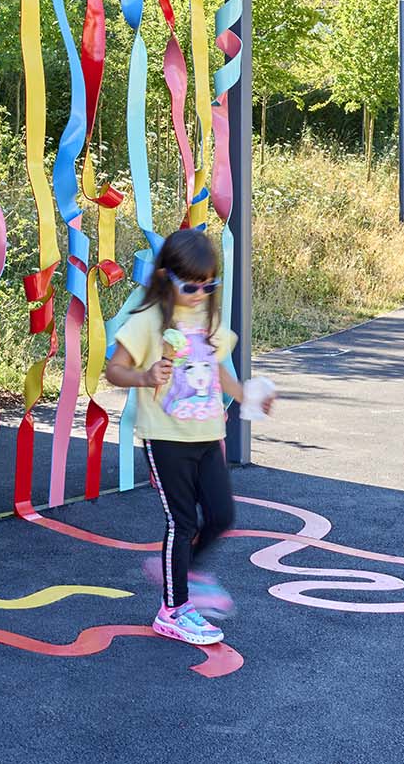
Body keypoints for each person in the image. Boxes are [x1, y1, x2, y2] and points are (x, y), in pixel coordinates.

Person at [104, 228, 275, 647]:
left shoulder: (208, 321)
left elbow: (217, 370)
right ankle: (173, 609)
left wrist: (247, 396)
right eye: (191, 285)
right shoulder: (147, 323)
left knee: (220, 516)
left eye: (209, 285)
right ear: (166, 277)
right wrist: (144, 376)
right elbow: (114, 370)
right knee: (181, 522)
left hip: (206, 434)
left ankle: (183, 570)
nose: (200, 293)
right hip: (165, 439)